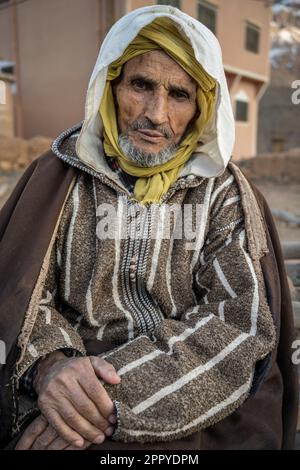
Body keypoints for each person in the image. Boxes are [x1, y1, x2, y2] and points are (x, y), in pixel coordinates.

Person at [0, 5, 298, 451]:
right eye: (141, 85)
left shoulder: (224, 195)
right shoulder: (58, 176)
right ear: (111, 85)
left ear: (200, 108)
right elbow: (21, 294)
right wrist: (50, 368)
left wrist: (101, 406)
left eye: (179, 94)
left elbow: (238, 324)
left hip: (192, 401)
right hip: (63, 384)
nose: (156, 115)